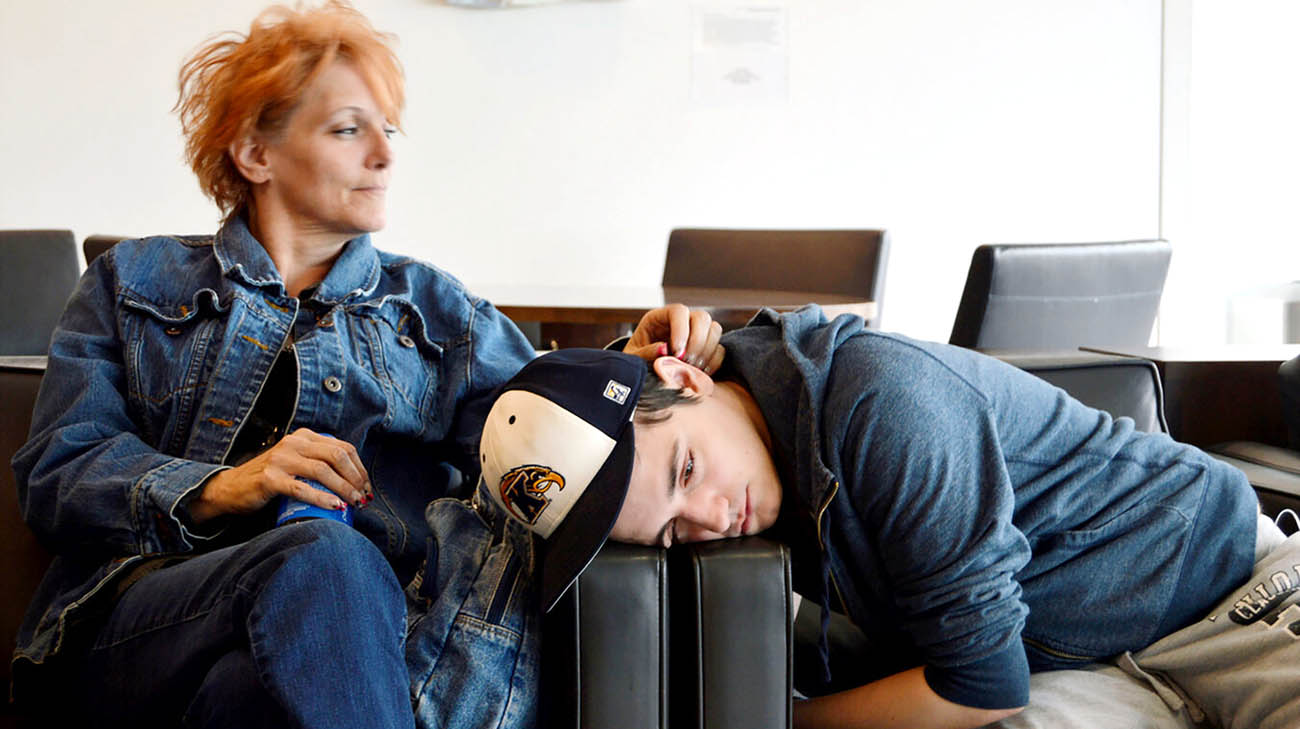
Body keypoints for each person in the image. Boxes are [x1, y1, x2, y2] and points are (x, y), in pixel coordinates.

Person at [9, 3, 723, 727]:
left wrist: (630, 367)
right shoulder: (130, 283)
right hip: (142, 625)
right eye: (349, 129)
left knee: (251, 694)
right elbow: (57, 470)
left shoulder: (439, 314)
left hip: (336, 652)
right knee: (324, 551)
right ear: (255, 153)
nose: (384, 154)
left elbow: (541, 428)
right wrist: (226, 487)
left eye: (388, 129)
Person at [477, 307, 1299, 729]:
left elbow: (980, 685)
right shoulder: (732, 419)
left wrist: (776, 720)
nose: (711, 517)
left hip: (1221, 589)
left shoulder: (881, 407)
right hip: (1077, 660)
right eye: (668, 532)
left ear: (687, 381)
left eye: (688, 470)